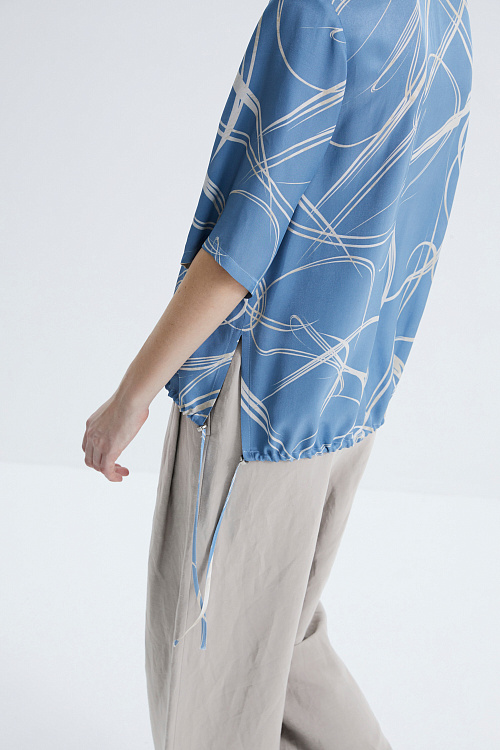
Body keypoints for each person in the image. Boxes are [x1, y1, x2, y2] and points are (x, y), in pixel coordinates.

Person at [82, 0, 473, 747]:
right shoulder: (444, 15)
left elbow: (242, 248)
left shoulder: (317, 14)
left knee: (208, 679)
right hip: (351, 392)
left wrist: (129, 397)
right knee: (279, 642)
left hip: (257, 397)